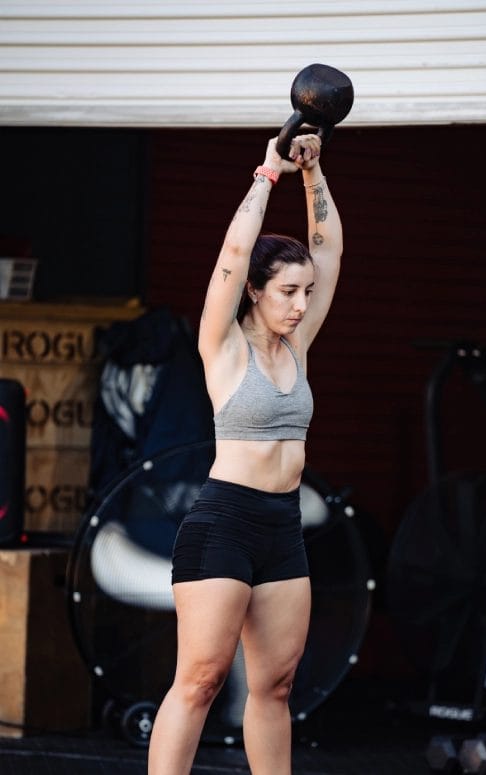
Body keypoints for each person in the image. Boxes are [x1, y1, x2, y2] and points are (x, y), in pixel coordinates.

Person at [147, 131, 343, 775]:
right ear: (256, 291)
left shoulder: (299, 345)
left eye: (306, 292)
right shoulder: (222, 346)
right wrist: (271, 171)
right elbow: (234, 253)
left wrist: (314, 174)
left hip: (281, 529)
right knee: (200, 682)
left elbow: (328, 249)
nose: (302, 304)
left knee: (276, 688)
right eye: (288, 291)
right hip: (223, 524)